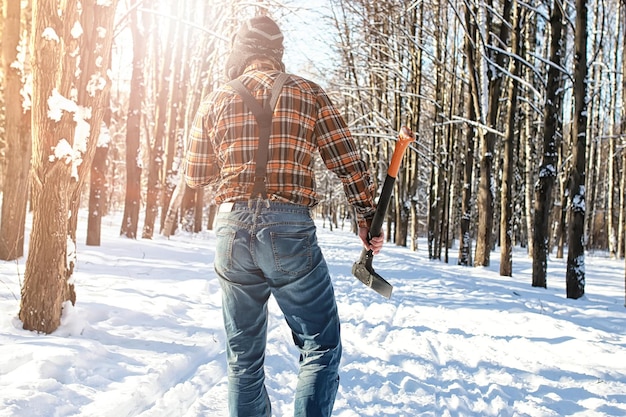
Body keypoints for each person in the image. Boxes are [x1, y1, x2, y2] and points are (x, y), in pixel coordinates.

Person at [184, 15, 384, 417]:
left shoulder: (216, 98)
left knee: (243, 359)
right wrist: (366, 218)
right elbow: (349, 164)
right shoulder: (308, 93)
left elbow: (195, 175)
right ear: (278, 51)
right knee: (321, 344)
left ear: (242, 52)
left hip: (231, 230)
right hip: (288, 228)